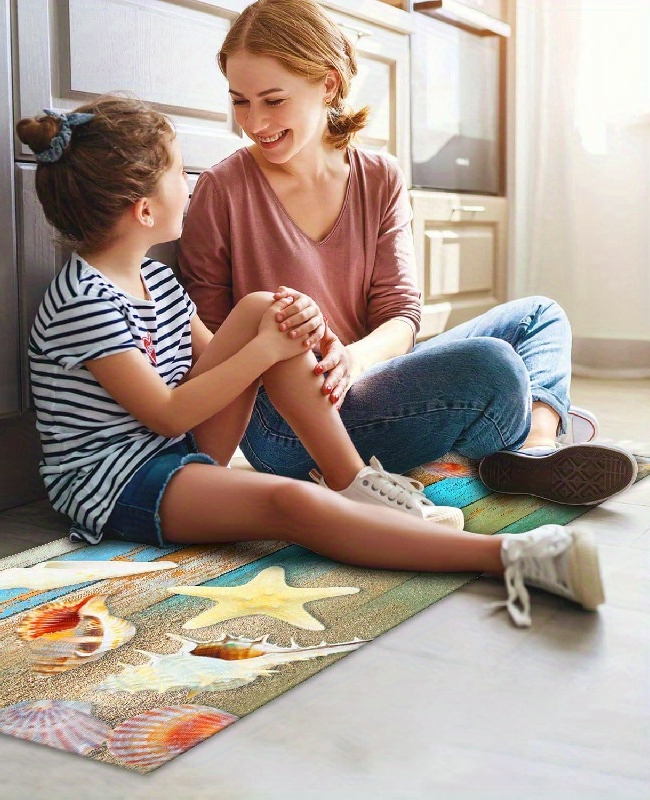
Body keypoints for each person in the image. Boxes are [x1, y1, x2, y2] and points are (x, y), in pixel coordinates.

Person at [18, 94, 605, 628]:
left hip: (180, 449)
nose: (191, 182)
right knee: (291, 503)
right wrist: (266, 351)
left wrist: (297, 325)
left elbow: (214, 358)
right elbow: (168, 414)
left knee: (263, 307)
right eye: (178, 173)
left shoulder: (154, 276)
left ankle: (353, 481)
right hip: (122, 481)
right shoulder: (82, 302)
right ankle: (508, 558)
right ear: (144, 212)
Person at [177, 0, 638, 508]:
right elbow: (211, 342)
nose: (254, 122)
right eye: (240, 101)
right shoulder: (222, 187)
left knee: (540, 316)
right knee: (493, 366)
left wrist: (352, 359)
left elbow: (400, 315)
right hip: (287, 427)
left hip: (366, 375)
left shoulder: (379, 176)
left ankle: (534, 448)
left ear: (328, 84)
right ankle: (537, 425)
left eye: (272, 100)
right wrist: (299, 368)